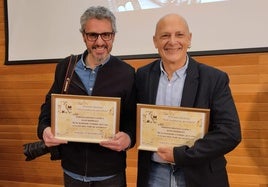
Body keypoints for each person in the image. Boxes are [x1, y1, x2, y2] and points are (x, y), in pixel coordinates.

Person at [136, 13, 241, 187]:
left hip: (200, 176)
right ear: (155, 41)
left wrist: (181, 155)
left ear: (189, 39)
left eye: (179, 35)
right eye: (165, 36)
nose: (172, 41)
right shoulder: (143, 75)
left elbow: (230, 133)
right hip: (155, 175)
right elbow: (135, 120)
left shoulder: (214, 78)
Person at [37, 6, 136, 187]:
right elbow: (47, 110)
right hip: (72, 171)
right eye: (92, 35)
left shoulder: (127, 73)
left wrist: (128, 138)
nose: (100, 42)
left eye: (106, 35)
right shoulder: (65, 67)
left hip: (110, 174)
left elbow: (131, 120)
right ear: (83, 36)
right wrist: (44, 130)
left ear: (113, 36)